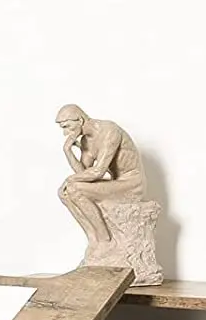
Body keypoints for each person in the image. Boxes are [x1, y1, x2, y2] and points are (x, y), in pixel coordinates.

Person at [56, 104, 149, 260]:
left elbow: (98, 172)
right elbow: (84, 174)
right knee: (64, 192)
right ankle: (94, 240)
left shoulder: (109, 131)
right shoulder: (86, 141)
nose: (66, 133)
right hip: (116, 182)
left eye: (67, 126)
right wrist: (68, 151)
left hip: (131, 184)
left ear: (79, 119)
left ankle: (106, 240)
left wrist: (68, 179)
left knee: (73, 188)